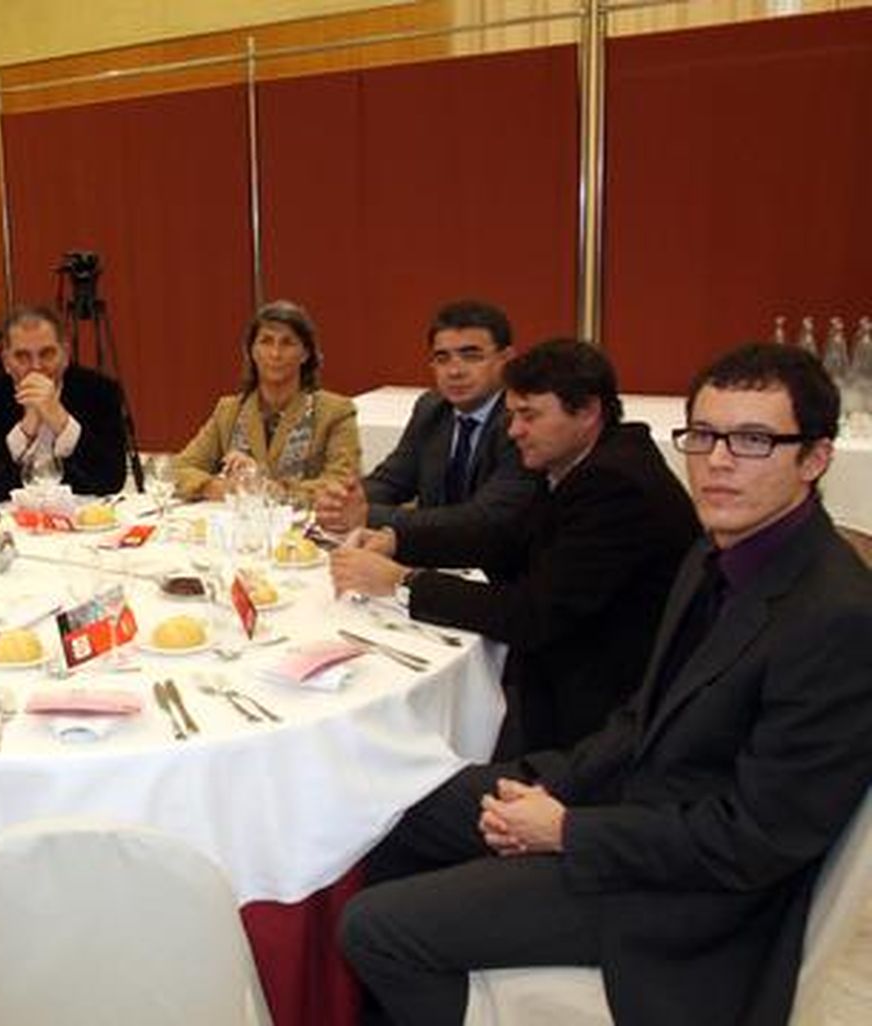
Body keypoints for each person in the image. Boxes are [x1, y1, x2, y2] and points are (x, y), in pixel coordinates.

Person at [340, 342, 872, 1026]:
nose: (716, 461)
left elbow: (754, 841)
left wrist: (569, 829)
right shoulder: (720, 551)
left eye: (753, 440)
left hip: (686, 903)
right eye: (704, 434)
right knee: (395, 807)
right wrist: (556, 782)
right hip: (629, 806)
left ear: (816, 458)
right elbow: (643, 718)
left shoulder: (837, 618)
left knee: (374, 929)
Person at [331, 338, 700, 756]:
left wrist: (403, 582)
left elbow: (532, 614)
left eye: (529, 416)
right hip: (567, 672)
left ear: (588, 412)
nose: (514, 431)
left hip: (603, 715)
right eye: (512, 415)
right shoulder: (581, 460)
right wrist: (397, 540)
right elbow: (506, 537)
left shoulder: (614, 485)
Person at [317, 300, 537, 532]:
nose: (455, 371)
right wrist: (343, 502)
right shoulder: (431, 408)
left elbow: (483, 518)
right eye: (442, 359)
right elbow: (392, 481)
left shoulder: (522, 421)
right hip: (430, 553)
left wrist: (365, 515)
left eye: (471, 356)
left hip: (496, 560)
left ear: (507, 359)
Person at [173, 300, 360, 502]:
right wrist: (219, 487)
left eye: (287, 343)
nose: (275, 353)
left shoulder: (335, 412)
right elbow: (181, 468)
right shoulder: (228, 411)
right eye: (266, 341)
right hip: (238, 527)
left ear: (305, 354)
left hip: (302, 528)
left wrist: (266, 487)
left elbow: (342, 483)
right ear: (252, 351)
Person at [0, 305, 129, 506]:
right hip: (12, 521)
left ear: (65, 354)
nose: (36, 366)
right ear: (6, 360)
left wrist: (61, 421)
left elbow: (111, 481)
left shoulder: (100, 391)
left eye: (47, 353)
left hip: (84, 518)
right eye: (22, 356)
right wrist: (25, 429)